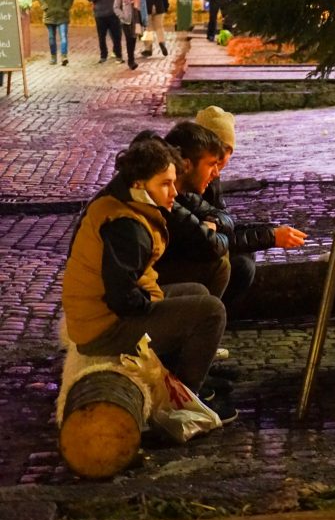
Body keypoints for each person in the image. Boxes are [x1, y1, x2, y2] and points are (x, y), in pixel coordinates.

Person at [61, 134, 234, 421]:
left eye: (172, 182)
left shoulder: (129, 202)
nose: (173, 193)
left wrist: (151, 296)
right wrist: (150, 303)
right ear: (140, 183)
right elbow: (121, 296)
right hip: (103, 328)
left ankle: (178, 381)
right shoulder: (127, 224)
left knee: (199, 292)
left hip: (102, 315)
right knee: (211, 312)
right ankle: (183, 403)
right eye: (165, 184)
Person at [194, 106, 308, 311]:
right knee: (240, 265)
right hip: (186, 259)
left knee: (246, 256)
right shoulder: (187, 184)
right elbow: (205, 239)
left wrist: (270, 231)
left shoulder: (211, 179)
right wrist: (271, 236)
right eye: (214, 163)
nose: (217, 171)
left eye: (223, 161)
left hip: (201, 247)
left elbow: (225, 224)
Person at [155, 122, 233, 300]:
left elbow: (223, 218)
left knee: (228, 262)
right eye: (212, 164)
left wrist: (213, 225)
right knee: (219, 270)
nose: (216, 173)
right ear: (186, 164)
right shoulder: (162, 196)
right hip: (128, 298)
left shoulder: (184, 194)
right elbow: (207, 244)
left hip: (144, 281)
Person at [36, 0, 74, 66]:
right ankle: (53, 57)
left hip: (62, 13)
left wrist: (66, 7)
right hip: (49, 13)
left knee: (63, 36)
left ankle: (64, 57)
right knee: (51, 37)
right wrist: (45, 6)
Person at [84, 0, 123, 64]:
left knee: (117, 36)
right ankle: (103, 56)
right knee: (102, 36)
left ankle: (119, 55)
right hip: (100, 14)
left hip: (113, 13)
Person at [113, 0, 147, 71]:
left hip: (137, 20)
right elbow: (116, 7)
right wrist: (122, 16)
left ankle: (131, 59)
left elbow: (144, 9)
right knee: (129, 40)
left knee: (134, 39)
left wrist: (145, 22)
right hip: (127, 21)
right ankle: (131, 61)